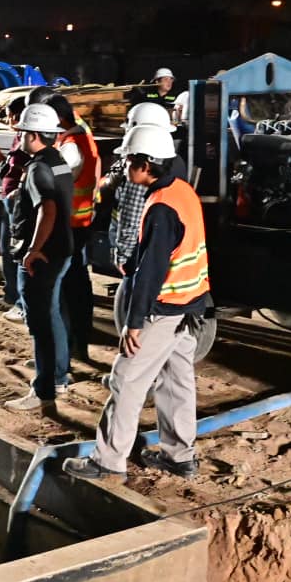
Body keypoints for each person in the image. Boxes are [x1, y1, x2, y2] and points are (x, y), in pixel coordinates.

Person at [66, 125, 208, 481]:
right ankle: (180, 456)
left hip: (163, 308)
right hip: (188, 305)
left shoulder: (160, 208)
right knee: (176, 381)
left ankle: (108, 461)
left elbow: (151, 273)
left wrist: (134, 322)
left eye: (129, 161)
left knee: (126, 380)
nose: (124, 167)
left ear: (146, 165)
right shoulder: (182, 191)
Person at [3, 104, 79, 412]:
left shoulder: (37, 169)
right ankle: (57, 375)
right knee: (52, 314)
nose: (19, 137)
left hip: (44, 256)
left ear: (33, 135)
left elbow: (47, 209)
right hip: (62, 250)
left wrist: (33, 250)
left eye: (22, 132)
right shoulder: (59, 161)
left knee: (40, 322)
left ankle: (43, 390)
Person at [105, 102, 175, 336]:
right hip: (157, 253)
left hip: (136, 251)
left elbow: (130, 218)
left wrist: (123, 255)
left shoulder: (140, 178)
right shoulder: (170, 161)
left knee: (134, 311)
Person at [42, 93, 99, 371]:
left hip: (70, 225)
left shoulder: (71, 147)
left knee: (67, 290)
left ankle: (70, 350)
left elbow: (55, 184)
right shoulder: (79, 136)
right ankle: (77, 345)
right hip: (79, 222)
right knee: (77, 286)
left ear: (59, 118)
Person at [0, 96, 30, 322]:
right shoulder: (18, 138)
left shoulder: (29, 141)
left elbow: (28, 170)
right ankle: (10, 295)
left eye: (12, 115)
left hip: (17, 202)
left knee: (17, 251)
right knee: (6, 248)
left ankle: (22, 304)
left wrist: (17, 194)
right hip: (8, 200)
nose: (9, 120)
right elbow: (7, 169)